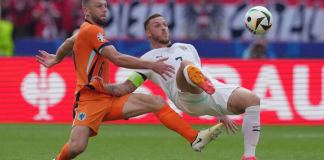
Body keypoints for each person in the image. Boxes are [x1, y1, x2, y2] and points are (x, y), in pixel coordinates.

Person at [36, 1, 223, 160]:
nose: (104, 10)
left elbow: (70, 41)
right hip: (89, 100)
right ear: (87, 11)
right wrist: (151, 65)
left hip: (106, 96)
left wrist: (57, 59)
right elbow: (116, 58)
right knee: (77, 147)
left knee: (156, 102)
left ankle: (194, 138)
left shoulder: (87, 31)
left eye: (105, 6)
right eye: (99, 6)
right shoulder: (91, 31)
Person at [91, 14, 261, 160]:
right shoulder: (146, 59)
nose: (164, 28)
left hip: (210, 91)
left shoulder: (188, 47)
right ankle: (199, 81)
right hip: (185, 97)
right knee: (186, 66)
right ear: (149, 33)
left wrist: (221, 113)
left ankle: (249, 155)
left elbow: (201, 72)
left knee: (252, 100)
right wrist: (103, 87)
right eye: (157, 26)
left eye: (165, 24)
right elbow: (125, 88)